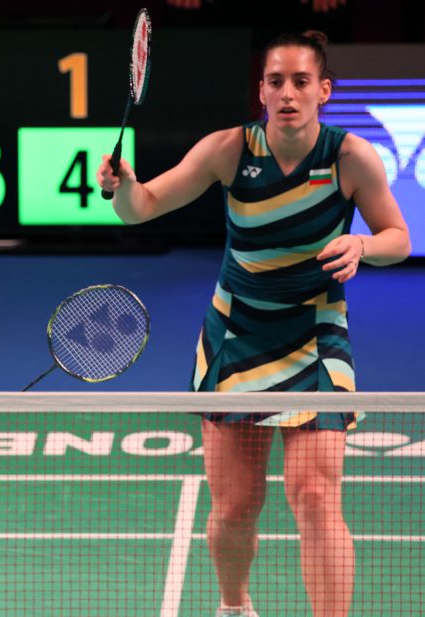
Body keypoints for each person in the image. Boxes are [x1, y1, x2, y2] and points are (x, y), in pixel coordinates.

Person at [97, 32, 410, 617]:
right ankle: (235, 606)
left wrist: (362, 245)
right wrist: (124, 187)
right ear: (261, 90)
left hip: (316, 334)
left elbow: (399, 238)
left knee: (316, 495)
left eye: (299, 81)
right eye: (274, 81)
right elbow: (142, 208)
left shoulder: (350, 157)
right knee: (236, 505)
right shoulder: (228, 150)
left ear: (324, 90)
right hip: (236, 336)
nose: (286, 93)